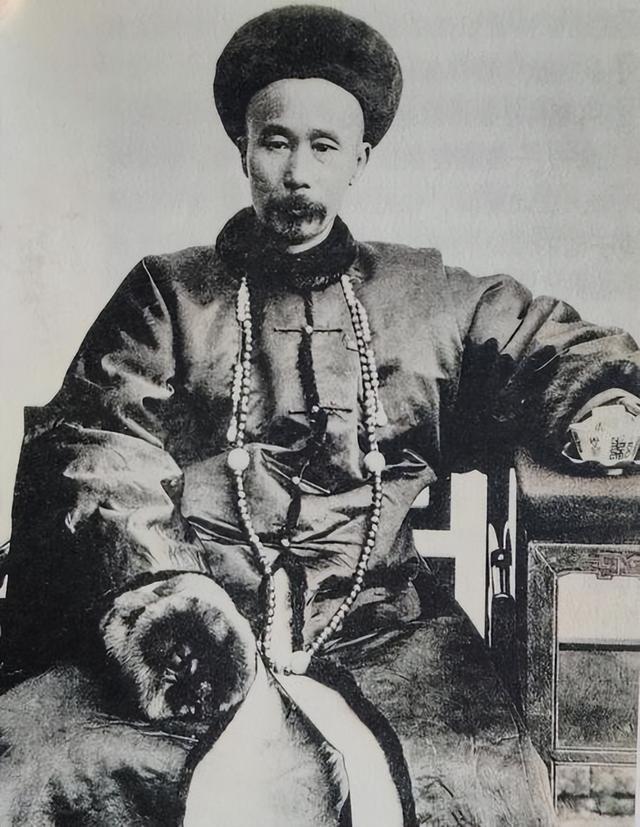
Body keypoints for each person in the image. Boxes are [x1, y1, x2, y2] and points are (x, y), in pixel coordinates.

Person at [1, 5, 639, 825]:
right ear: (243, 149)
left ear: (360, 159)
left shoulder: (422, 296)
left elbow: (543, 339)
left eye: (325, 147)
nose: (298, 171)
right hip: (193, 629)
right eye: (276, 142)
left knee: (483, 780)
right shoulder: (166, 293)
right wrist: (171, 597)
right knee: (35, 758)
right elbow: (99, 439)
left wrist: (599, 401)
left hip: (380, 627)